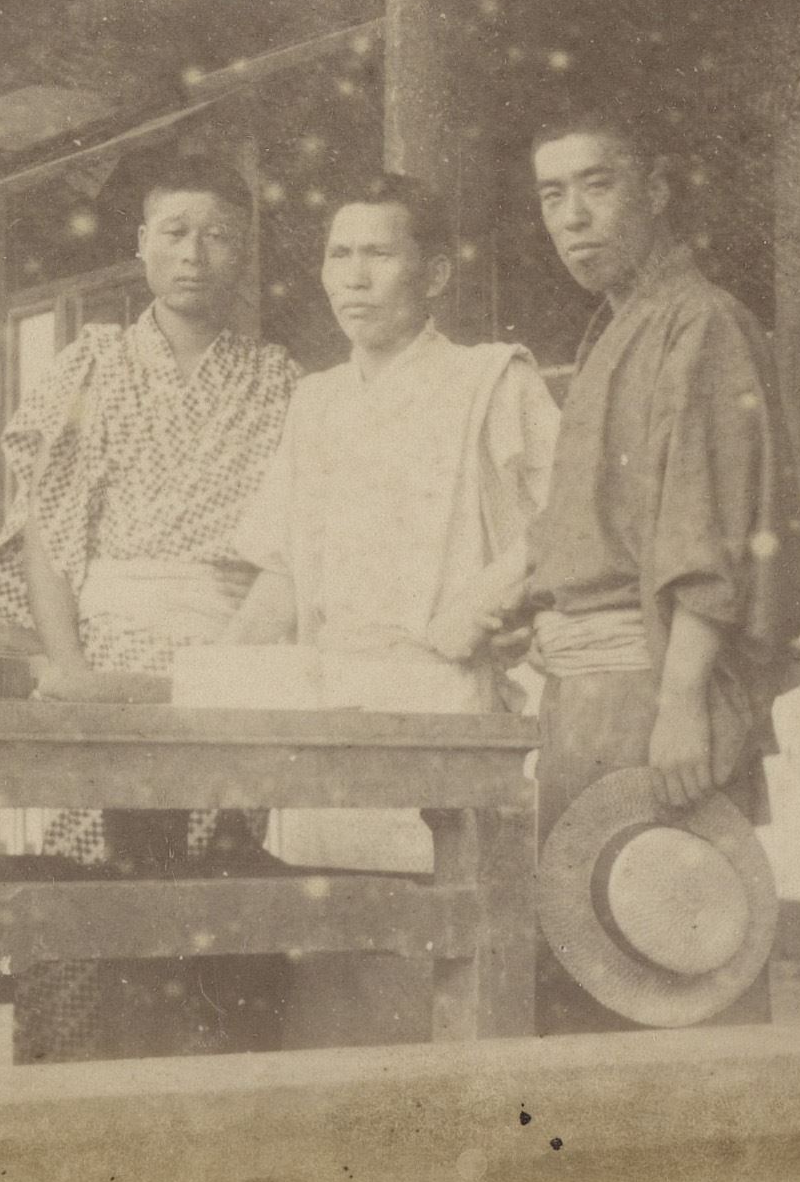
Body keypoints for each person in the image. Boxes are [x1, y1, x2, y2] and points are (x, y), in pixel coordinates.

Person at [0, 152, 302, 1063]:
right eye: (175, 232)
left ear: (245, 253)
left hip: (230, 656)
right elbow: (48, 534)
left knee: (220, 884)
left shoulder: (281, 379)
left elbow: (293, 549)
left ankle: (209, 1097)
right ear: (141, 246)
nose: (195, 253)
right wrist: (69, 667)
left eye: (219, 235)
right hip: (107, 656)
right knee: (92, 879)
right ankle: (78, 1091)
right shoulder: (92, 364)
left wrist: (240, 662)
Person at [514, 105, 800, 1034]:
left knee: (675, 947)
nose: (573, 217)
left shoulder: (703, 323)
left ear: (657, 190)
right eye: (551, 196)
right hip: (590, 689)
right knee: (594, 950)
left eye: (597, 186)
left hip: (653, 682)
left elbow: (709, 528)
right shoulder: (618, 330)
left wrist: (682, 700)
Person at [229, 174, 559, 874]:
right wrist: (215, 677)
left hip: (444, 695)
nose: (355, 278)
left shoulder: (492, 380)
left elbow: (574, 515)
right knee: (326, 908)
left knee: (444, 899)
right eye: (339, 255)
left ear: (434, 274)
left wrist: (493, 599)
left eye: (378, 255)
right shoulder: (314, 402)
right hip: (326, 705)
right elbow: (283, 574)